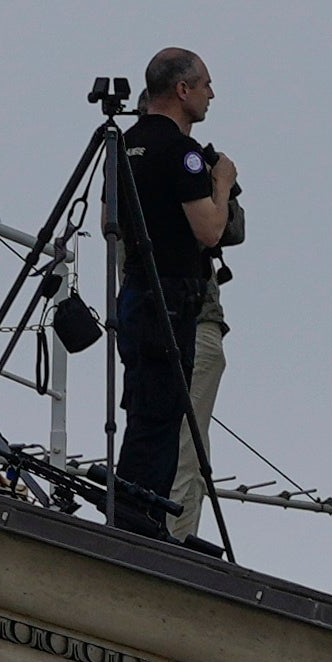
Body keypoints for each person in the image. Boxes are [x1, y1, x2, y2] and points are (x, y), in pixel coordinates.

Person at [96, 49, 239, 534]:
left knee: (141, 407)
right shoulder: (184, 152)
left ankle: (133, 511)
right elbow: (210, 230)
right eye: (205, 84)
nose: (210, 94)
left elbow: (107, 222)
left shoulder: (122, 143)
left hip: (134, 290)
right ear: (182, 90)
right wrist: (222, 182)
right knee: (164, 418)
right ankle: (141, 521)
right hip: (173, 292)